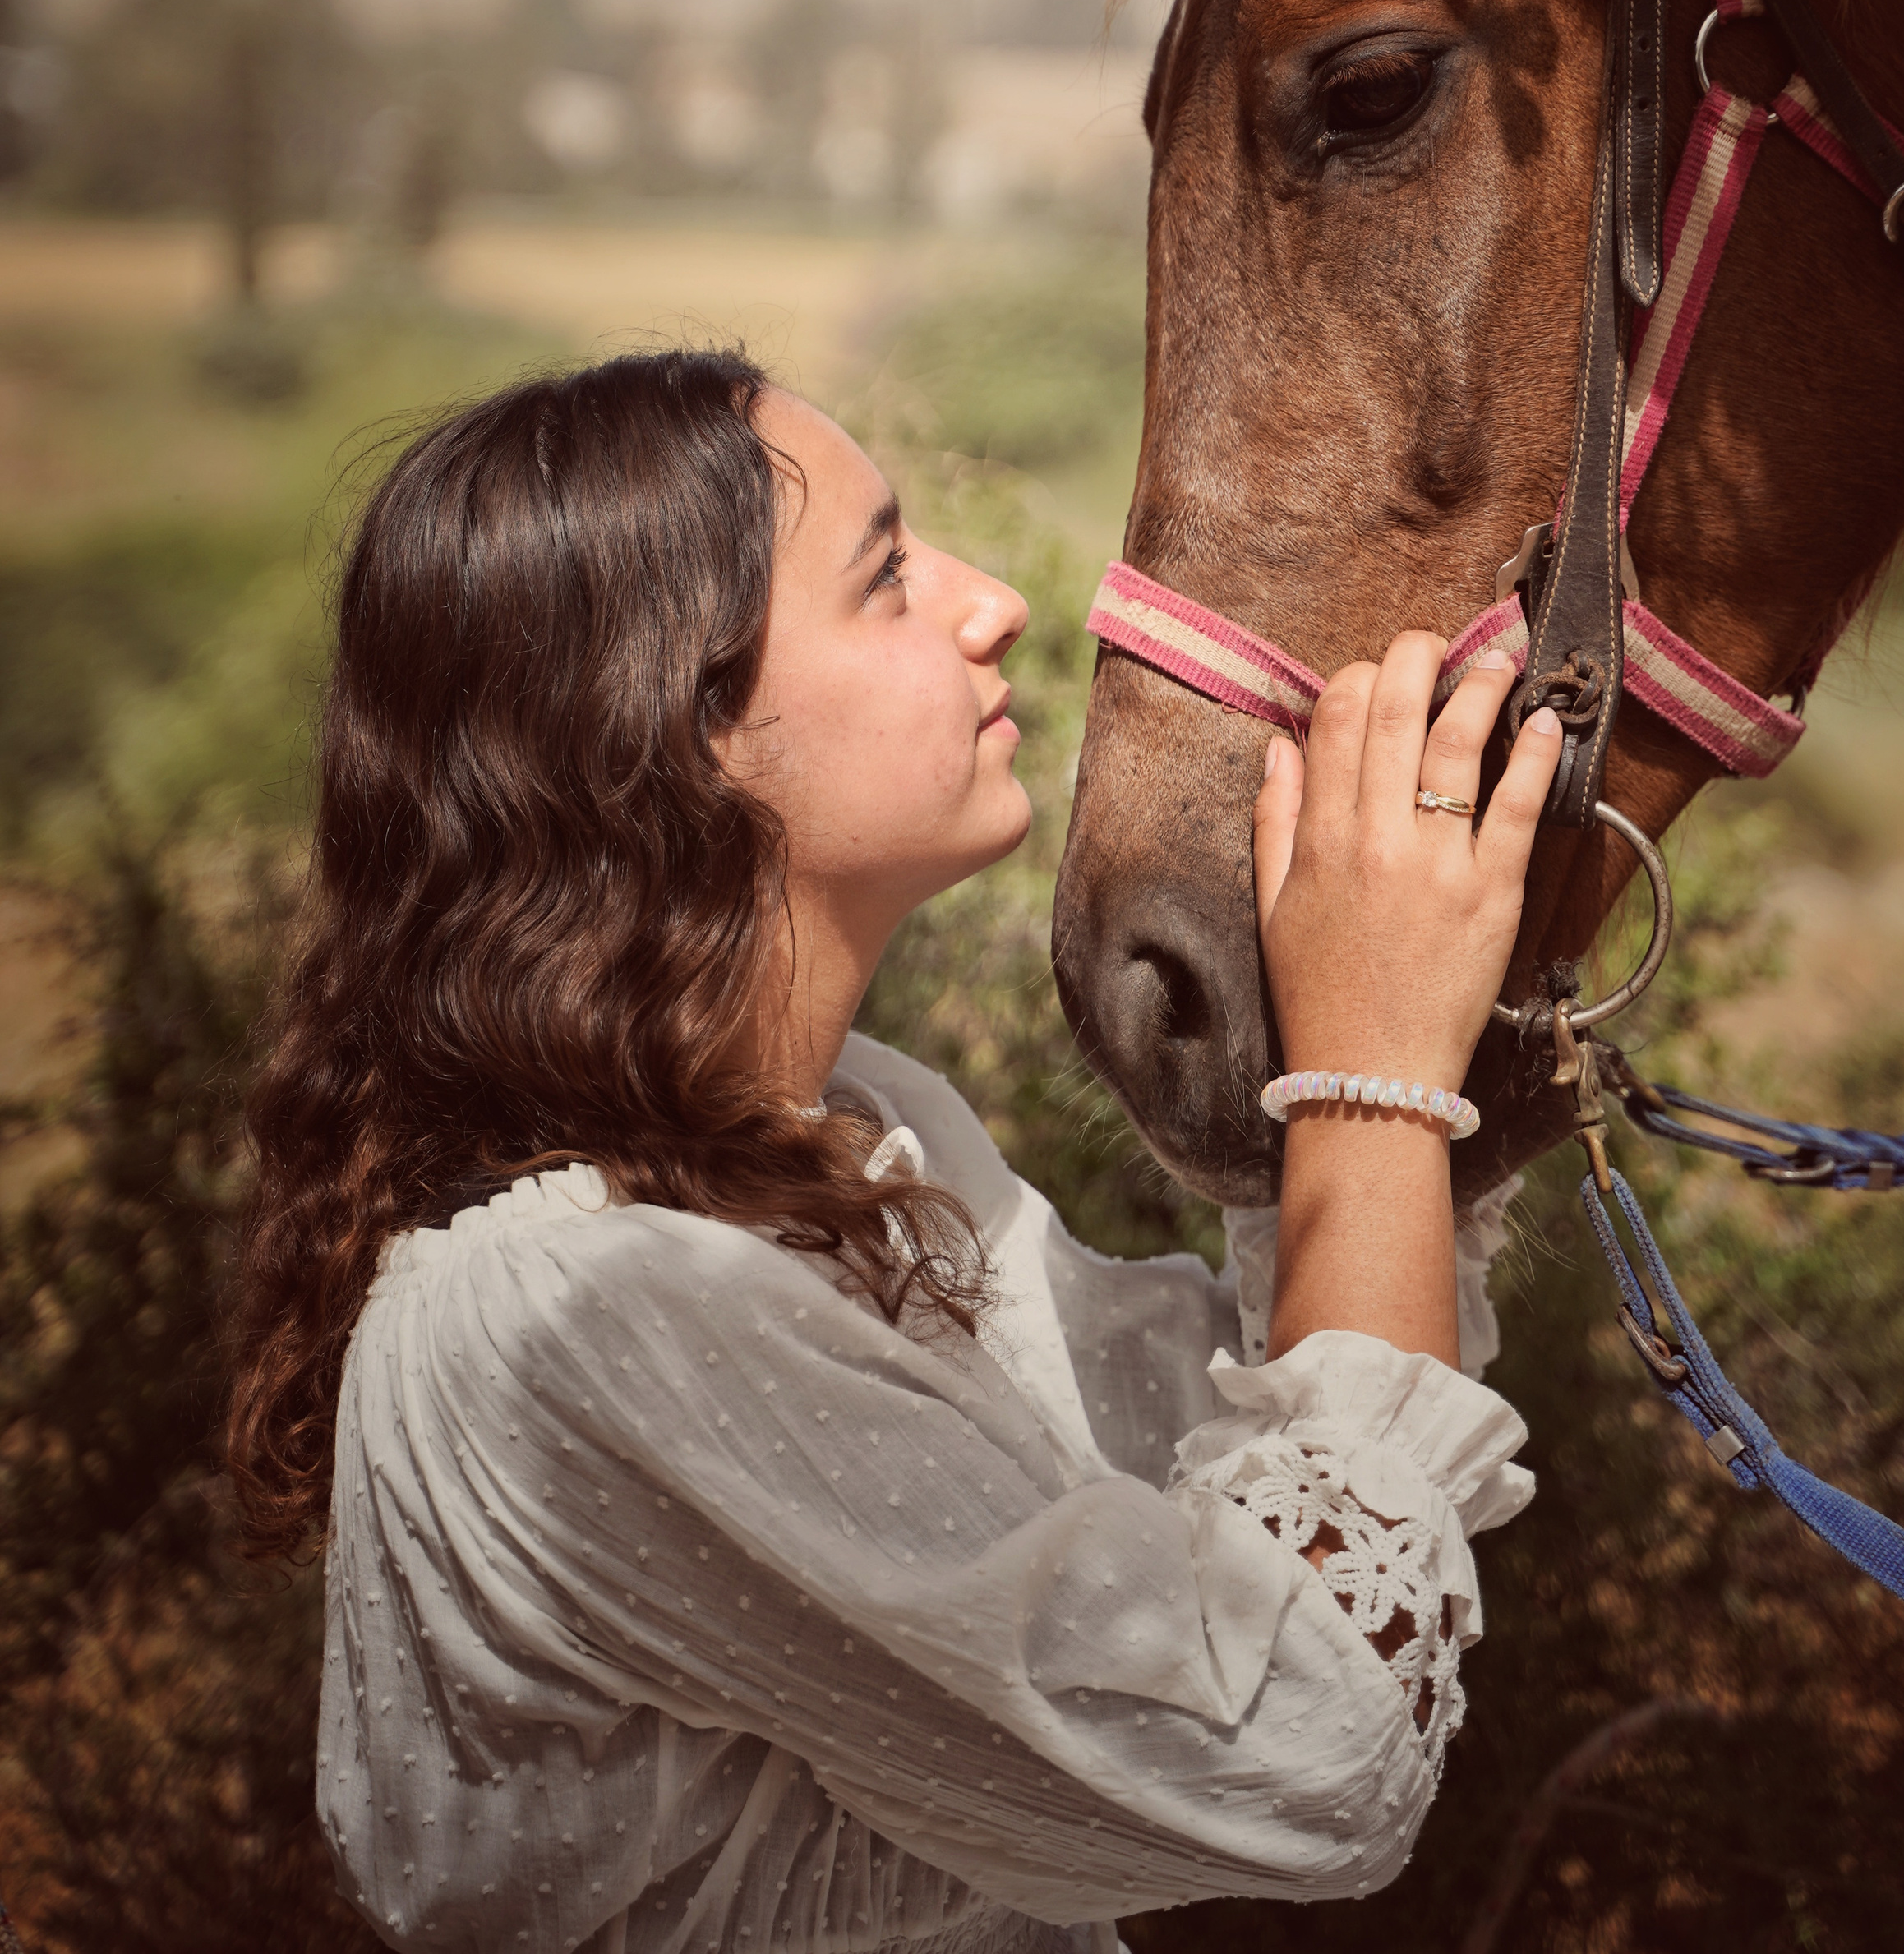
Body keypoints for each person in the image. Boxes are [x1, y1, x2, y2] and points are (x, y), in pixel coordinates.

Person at [226, 347, 1563, 1954]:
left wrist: (1414, 1011)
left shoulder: (862, 1139)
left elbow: (1231, 1440)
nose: (991, 601)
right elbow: (1303, 1740)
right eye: (882, 578)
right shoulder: (579, 1315)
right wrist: (1367, 1090)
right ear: (678, 722)